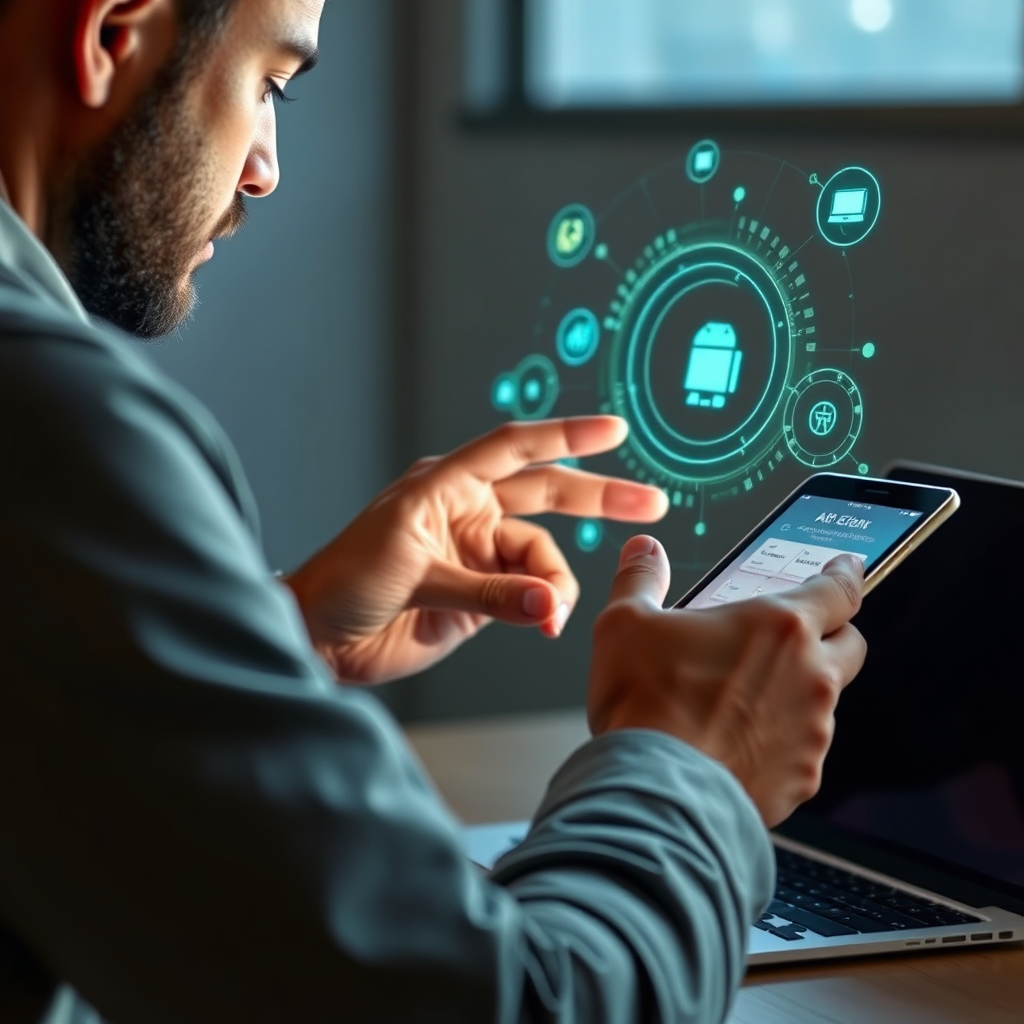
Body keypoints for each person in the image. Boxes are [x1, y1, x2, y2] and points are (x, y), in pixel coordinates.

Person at [0, 1, 867, 1021]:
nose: (264, 171)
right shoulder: (54, 426)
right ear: (112, 34)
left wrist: (260, 639)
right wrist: (687, 762)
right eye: (269, 85)